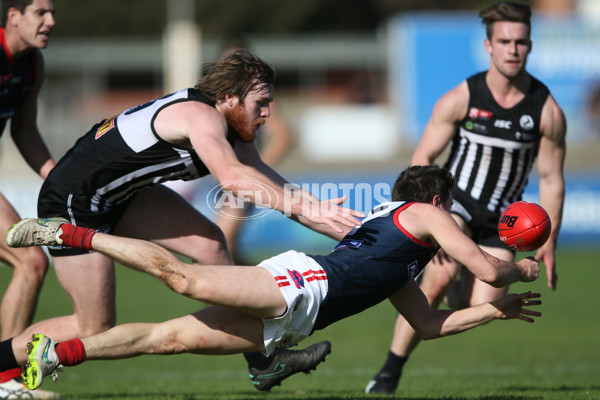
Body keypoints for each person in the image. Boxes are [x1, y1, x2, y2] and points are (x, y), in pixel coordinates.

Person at [0, 49, 362, 394]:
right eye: (261, 103)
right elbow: (235, 181)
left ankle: (262, 361)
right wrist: (309, 210)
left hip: (119, 196)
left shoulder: (235, 127)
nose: (267, 113)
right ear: (232, 98)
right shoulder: (200, 115)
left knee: (210, 243)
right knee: (92, 325)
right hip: (73, 199)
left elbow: (268, 181)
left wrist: (343, 226)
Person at [5, 165, 542, 394]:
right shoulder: (424, 213)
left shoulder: (402, 255)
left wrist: (496, 309)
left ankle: (54, 355)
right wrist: (517, 268)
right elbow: (486, 267)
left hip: (293, 320)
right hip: (298, 285)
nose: (453, 218)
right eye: (449, 210)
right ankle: (76, 235)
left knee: (165, 339)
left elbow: (426, 324)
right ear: (437, 202)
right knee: (184, 279)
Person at [365, 1, 566, 394]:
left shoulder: (547, 110)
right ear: (489, 45)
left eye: (521, 42)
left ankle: (459, 290)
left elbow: (551, 178)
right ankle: (389, 372)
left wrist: (549, 240)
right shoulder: (461, 98)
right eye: (504, 41)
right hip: (455, 208)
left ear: (530, 45)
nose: (513, 49)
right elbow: (421, 160)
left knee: (482, 306)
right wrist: (426, 219)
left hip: (505, 223)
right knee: (438, 275)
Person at [0, 0, 57, 398]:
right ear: (13, 16)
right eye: (40, 12)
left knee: (31, 259)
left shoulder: (32, 65)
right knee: (31, 258)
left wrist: (58, 178)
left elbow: (24, 131)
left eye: (52, 12)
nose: (51, 21)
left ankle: (3, 379)